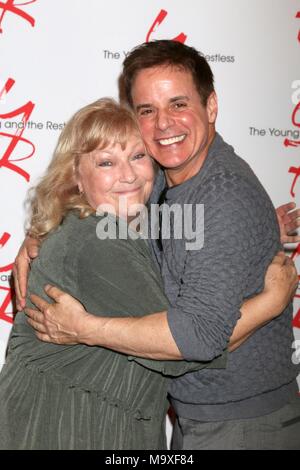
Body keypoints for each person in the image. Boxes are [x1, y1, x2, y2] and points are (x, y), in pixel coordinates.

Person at [16, 41, 300, 450]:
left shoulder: (219, 197)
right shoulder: (162, 177)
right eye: (147, 110)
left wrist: (84, 329)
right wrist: (40, 233)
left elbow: (199, 337)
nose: (164, 124)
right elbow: (116, 203)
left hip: (242, 421)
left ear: (211, 106)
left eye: (178, 104)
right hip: (193, 414)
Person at [0, 98, 230, 450]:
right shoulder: (95, 240)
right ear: (75, 176)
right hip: (67, 427)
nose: (128, 175)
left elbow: (195, 225)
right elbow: (186, 344)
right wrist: (272, 299)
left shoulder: (129, 224)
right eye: (106, 162)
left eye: (138, 157)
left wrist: (247, 228)